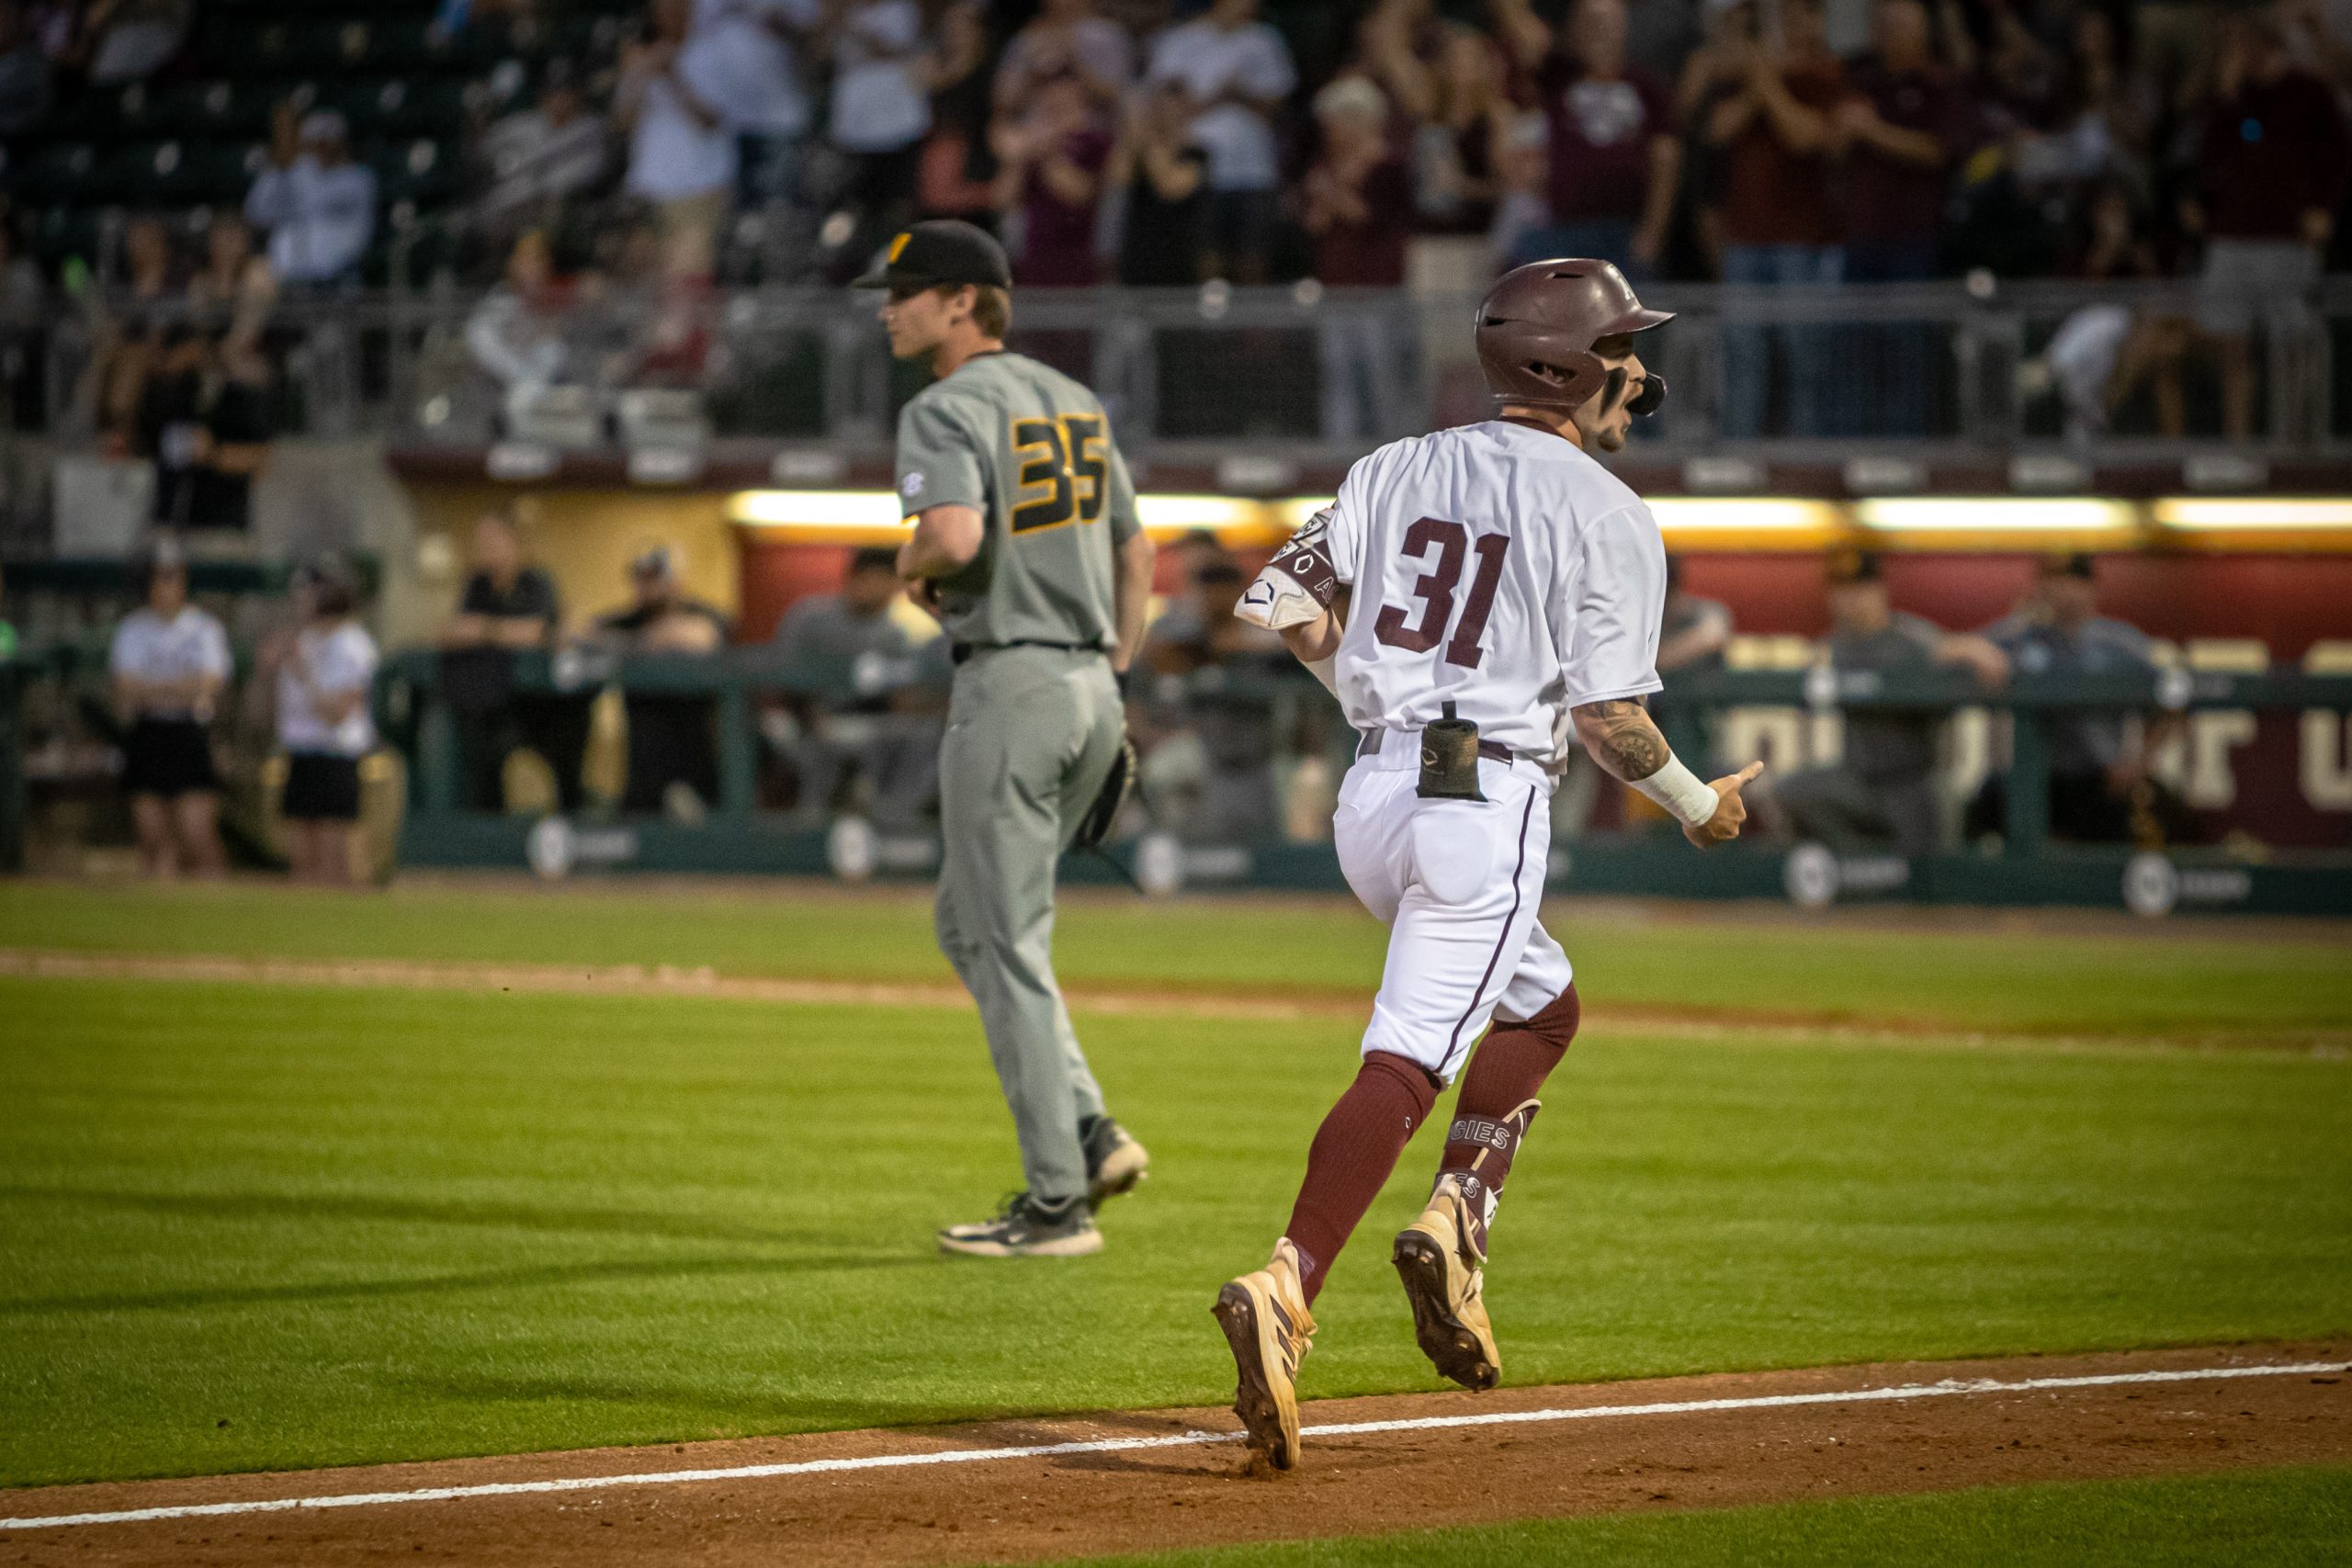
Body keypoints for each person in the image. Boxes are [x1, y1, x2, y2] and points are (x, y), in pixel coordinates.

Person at [1216, 260, 1759, 1472]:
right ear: (1567, 366)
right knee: (1407, 1058)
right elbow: (1613, 721)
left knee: (1544, 1005)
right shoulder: (1611, 510)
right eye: (1622, 347)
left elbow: (1288, 607)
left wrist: (1375, 688)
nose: (1640, 369)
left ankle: (1459, 1218)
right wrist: (1695, 806)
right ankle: (1286, 1285)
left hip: (1375, 795)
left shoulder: (1393, 463)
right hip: (1485, 797)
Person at [858, 219, 1156, 1258]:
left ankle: (1056, 1203)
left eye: (906, 290)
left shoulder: (942, 405)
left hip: (1012, 682)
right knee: (968, 925)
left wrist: (905, 568)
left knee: (1009, 946)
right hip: (1088, 682)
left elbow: (951, 537)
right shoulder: (1074, 400)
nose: (888, 307)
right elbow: (1137, 548)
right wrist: (1113, 668)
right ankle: (1087, 1127)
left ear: (960, 303)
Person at [1770, 550, 2007, 858]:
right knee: (1791, 792)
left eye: (1860, 589)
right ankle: (1857, 864)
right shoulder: (1834, 646)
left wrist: (1973, 650)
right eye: (1841, 591)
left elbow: (1961, 652)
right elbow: (1805, 679)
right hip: (1856, 782)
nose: (1851, 600)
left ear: (1880, 591)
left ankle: (1898, 877)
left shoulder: (1911, 638)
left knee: (1929, 859)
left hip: (1911, 783)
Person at [2187, 13, 2347, 442]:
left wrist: (2324, 209)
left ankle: (2293, 442)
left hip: (2287, 238)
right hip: (2233, 236)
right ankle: (2236, 444)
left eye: (2239, 44)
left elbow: (2338, 158)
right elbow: (2209, 158)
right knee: (2230, 345)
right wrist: (2226, 93)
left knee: (2291, 344)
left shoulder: (2310, 92)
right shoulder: (2232, 99)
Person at [1965, 554, 2180, 845]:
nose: (2058, 589)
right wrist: (1990, 644)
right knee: (1984, 814)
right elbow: (1957, 649)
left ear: (2089, 587)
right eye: (2050, 579)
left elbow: (2175, 700)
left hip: (2097, 779)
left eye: (2068, 580)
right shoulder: (2023, 635)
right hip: (2031, 776)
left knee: (2105, 865)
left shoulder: (2119, 642)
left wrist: (2140, 763)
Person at [1832, 0, 1973, 437]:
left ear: (1921, 32)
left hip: (1912, 243)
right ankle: (1856, 444)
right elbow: (1833, 145)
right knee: (1855, 353)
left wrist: (1872, 130)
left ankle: (1906, 446)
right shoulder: (1862, 80)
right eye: (1883, 23)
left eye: (1899, 24)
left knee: (1906, 351)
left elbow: (1937, 151)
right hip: (1859, 241)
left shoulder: (1937, 86)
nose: (1889, 32)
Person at [1705, 0, 1843, 438]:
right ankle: (1741, 449)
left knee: (1803, 353)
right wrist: (1759, 81)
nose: (1791, 25)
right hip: (1745, 236)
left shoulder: (1826, 74)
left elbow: (1803, 136)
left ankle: (1804, 451)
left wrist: (1764, 78)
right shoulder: (1738, 79)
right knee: (1744, 353)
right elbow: (1718, 129)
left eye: (1801, 14)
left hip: (1800, 240)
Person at [768, 547, 939, 830]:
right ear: (850, 579)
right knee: (807, 745)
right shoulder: (810, 617)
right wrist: (808, 715)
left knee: (920, 737)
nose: (870, 587)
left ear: (893, 585)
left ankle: (890, 822)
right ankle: (806, 829)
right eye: (864, 578)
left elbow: (899, 697)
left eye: (881, 580)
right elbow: (777, 678)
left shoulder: (895, 634)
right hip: (802, 717)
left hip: (863, 721)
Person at [1510, 0, 1680, 276]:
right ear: (1575, 29)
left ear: (1624, 27)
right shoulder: (1559, 76)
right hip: (1565, 231)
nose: (1599, 31)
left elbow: (1666, 160)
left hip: (1625, 232)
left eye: (1607, 22)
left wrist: (1653, 231)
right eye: (1590, 22)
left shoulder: (1648, 86)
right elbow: (1524, 33)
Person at [1143, 0, 1296, 283]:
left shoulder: (1263, 40)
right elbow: (1163, 103)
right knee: (1205, 251)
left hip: (1255, 168)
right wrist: (1219, 96)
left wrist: (1241, 94)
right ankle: (1210, 324)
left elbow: (1277, 103)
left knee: (1254, 254)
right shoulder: (1180, 41)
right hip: (1199, 164)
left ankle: (1252, 325)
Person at [1301, 74, 1413, 442]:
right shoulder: (1328, 165)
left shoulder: (1389, 165)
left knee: (1382, 377)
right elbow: (1314, 222)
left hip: (1376, 289)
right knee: (1338, 376)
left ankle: (1392, 450)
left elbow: (1367, 216)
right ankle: (1339, 452)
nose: (1329, 132)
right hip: (1336, 287)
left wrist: (1331, 191)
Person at [109, 542, 230, 877]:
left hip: (188, 731)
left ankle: (217, 906)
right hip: (148, 731)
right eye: (158, 578)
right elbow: (125, 687)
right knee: (151, 836)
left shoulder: (204, 628)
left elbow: (209, 684)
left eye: (172, 577)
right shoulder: (133, 628)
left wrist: (155, 687)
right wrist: (179, 687)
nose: (165, 586)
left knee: (197, 833)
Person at [438, 511, 571, 813]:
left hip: (545, 707)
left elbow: (537, 632)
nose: (483, 547)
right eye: (480, 540)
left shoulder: (536, 582)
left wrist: (485, 629)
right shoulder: (478, 585)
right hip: (488, 702)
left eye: (491, 539)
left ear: (514, 542)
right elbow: (452, 631)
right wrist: (493, 631)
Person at [593, 547, 729, 818]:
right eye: (642, 578)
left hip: (695, 766)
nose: (649, 586)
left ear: (676, 581)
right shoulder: (628, 621)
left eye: (656, 577)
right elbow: (580, 633)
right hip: (643, 779)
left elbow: (706, 635)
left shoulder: (700, 613)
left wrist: (637, 643)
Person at [274, 558, 379, 885]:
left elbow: (338, 714)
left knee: (337, 850)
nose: (301, 601)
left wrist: (303, 674)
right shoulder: (301, 642)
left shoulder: (352, 645)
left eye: (309, 593)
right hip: (300, 749)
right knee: (301, 853)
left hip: (337, 752)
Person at [619, 0, 735, 281]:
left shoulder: (713, 52)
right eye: (663, 7)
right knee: (645, 279)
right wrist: (638, 76)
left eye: (678, 6)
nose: (670, 12)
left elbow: (712, 121)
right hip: (649, 186)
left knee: (689, 281)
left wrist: (673, 77)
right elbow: (621, 123)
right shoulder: (641, 55)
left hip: (699, 186)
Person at [135, 325, 272, 533]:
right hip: (170, 521)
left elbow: (259, 459)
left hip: (223, 523)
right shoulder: (175, 393)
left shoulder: (242, 398)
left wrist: (212, 453)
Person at [994, 74, 1113, 288]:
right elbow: (1003, 198)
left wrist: (1045, 152)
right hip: (1034, 263)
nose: (1055, 99)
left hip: (1078, 265)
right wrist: (1020, 159)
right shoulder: (1032, 146)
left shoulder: (1095, 141)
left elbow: (1080, 195)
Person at [476, 61, 610, 238]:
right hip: (508, 206)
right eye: (554, 91)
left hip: (555, 211)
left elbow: (590, 171)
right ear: (543, 96)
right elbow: (485, 143)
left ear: (578, 94)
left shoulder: (590, 128)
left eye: (566, 91)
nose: (560, 98)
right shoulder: (526, 123)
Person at [243, 108, 378, 286]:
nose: (322, 148)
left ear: (341, 142)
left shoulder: (359, 179)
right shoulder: (293, 172)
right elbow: (256, 212)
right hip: (285, 278)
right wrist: (279, 169)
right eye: (315, 142)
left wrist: (288, 165)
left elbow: (316, 203)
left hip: (338, 277)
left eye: (328, 141)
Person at [1108, 79, 1208, 286]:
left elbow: (1168, 186)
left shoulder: (1197, 155)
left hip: (1178, 266)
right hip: (1137, 264)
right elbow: (1117, 178)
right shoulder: (1140, 153)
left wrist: (1142, 134)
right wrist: (1129, 135)